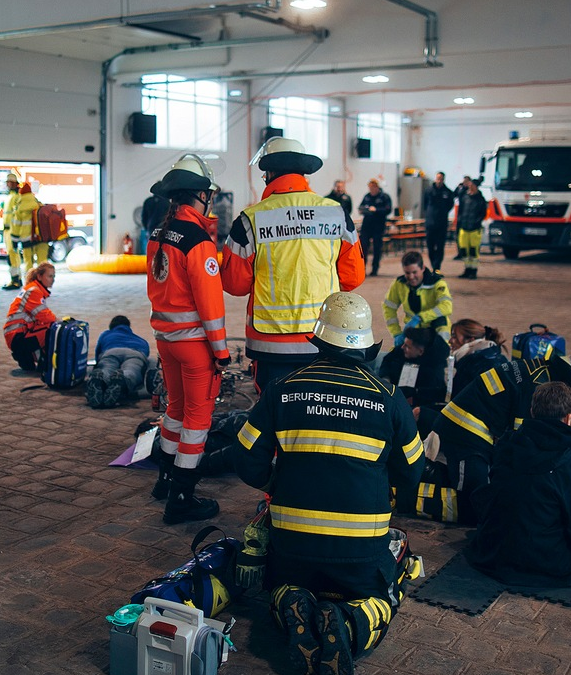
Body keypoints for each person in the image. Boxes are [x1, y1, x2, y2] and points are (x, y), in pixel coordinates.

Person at [232, 291, 424, 675]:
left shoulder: (283, 389)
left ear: (319, 339)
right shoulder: (388, 398)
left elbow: (244, 457)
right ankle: (350, 627)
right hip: (360, 553)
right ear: (366, 347)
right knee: (384, 596)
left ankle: (291, 603)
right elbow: (413, 471)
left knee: (282, 585)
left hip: (293, 545)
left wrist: (276, 480)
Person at [221, 137, 365, 391]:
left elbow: (234, 284)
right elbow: (353, 278)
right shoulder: (336, 213)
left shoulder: (250, 220)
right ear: (303, 172)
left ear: (269, 173)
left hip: (270, 343)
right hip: (325, 337)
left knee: (273, 414)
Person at [419, 350, 571, 524]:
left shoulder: (543, 371)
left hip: (477, 428)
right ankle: (410, 492)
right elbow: (524, 442)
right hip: (464, 432)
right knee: (475, 506)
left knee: (485, 495)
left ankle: (428, 471)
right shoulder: (537, 386)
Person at [147, 154, 230, 525]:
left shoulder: (158, 233)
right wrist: (222, 353)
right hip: (195, 346)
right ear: (199, 195)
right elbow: (210, 304)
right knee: (198, 419)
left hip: (165, 341)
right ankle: (182, 498)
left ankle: (165, 480)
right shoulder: (198, 240)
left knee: (175, 412)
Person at [467, 382, 571, 586]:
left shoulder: (507, 445)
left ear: (532, 411)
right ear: (568, 417)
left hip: (494, 552)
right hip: (546, 562)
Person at [383, 251, 452, 345]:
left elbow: (446, 307)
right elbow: (389, 308)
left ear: (423, 268)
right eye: (407, 273)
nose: (411, 277)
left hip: (436, 327)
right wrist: (396, 333)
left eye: (414, 272)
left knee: (438, 353)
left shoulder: (437, 283)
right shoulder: (399, 284)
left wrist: (421, 317)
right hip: (414, 329)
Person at [86, 315, 151, 409]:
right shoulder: (140, 339)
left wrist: (98, 364)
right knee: (132, 370)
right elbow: (146, 356)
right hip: (135, 352)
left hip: (111, 351)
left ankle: (101, 379)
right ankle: (123, 380)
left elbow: (98, 351)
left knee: (107, 368)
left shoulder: (106, 334)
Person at [3, 262, 57, 371]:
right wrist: (58, 321)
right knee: (52, 329)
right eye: (50, 276)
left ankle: (27, 356)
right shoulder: (34, 291)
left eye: (54, 276)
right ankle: (37, 357)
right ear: (39, 277)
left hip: (16, 336)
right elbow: (44, 316)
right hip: (17, 337)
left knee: (46, 327)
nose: (53, 279)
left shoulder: (33, 289)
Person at [378, 326, 449, 409]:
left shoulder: (434, 372)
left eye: (407, 346)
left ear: (420, 351)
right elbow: (387, 360)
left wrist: (414, 395)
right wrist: (385, 378)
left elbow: (433, 395)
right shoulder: (402, 350)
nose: (402, 347)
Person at [448, 319, 509, 399]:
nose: (450, 341)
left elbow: (461, 397)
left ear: (471, 340)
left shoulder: (475, 364)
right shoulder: (484, 357)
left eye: (454, 336)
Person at [11, 181, 46, 279]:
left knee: (28, 261)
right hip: (40, 237)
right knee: (42, 261)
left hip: (26, 238)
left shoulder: (19, 206)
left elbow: (16, 225)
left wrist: (14, 241)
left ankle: (30, 281)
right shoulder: (37, 203)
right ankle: (42, 281)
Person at [358, 178, 392, 276]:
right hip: (367, 225)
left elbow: (388, 209)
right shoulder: (367, 197)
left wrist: (376, 210)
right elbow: (361, 206)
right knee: (363, 246)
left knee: (377, 248)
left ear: (377, 187)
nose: (371, 190)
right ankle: (362, 268)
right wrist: (363, 210)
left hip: (378, 225)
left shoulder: (384, 197)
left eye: (373, 187)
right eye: (370, 188)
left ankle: (375, 269)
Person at [455, 177, 487, 279]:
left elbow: (483, 214)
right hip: (464, 227)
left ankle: (473, 271)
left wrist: (476, 222)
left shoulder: (480, 199)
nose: (470, 187)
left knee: (473, 251)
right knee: (464, 250)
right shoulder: (464, 197)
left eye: (472, 185)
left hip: (475, 229)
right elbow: (460, 210)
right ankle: (467, 269)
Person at [423, 172, 455, 271]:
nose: (439, 180)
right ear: (435, 179)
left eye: (441, 179)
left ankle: (437, 267)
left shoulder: (448, 192)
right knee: (430, 247)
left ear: (443, 179)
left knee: (440, 247)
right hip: (430, 224)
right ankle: (433, 264)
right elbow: (425, 204)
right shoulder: (428, 191)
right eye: (438, 178)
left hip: (441, 224)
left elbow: (450, 205)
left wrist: (443, 212)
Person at [1, 173, 25, 290]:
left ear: (15, 184)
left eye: (10, 182)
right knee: (13, 254)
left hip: (12, 230)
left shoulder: (16, 196)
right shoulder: (10, 196)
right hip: (7, 229)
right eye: (7, 182)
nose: (8, 184)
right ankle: (17, 278)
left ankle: (15, 279)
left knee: (12, 254)